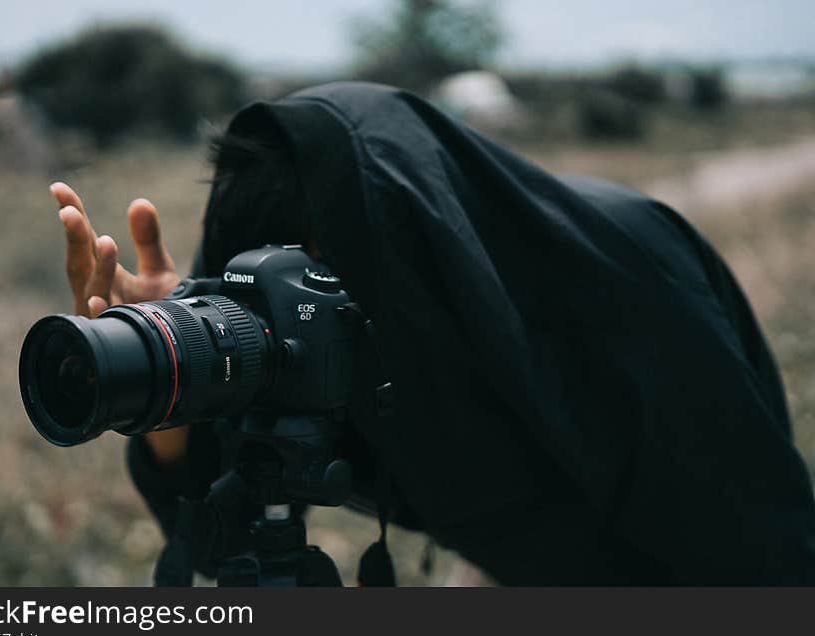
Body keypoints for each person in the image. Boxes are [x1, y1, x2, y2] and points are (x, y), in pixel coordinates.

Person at [49, 82, 815, 585]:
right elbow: (220, 530)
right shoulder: (339, 316)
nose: (295, 321)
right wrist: (182, 377)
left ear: (412, 267)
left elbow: (766, 555)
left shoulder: (621, 293)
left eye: (313, 289)